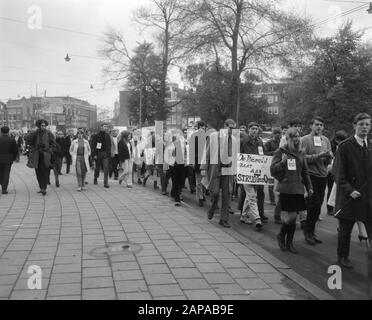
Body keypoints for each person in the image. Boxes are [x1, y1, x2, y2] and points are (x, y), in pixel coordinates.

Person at [333, 113, 372, 269]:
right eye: (361, 124)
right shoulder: (345, 146)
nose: (365, 127)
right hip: (349, 196)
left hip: (367, 196)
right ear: (354, 126)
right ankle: (342, 256)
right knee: (345, 229)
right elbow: (338, 173)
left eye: (367, 124)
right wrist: (349, 190)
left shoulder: (369, 146)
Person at [271, 128, 313, 253]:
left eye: (298, 136)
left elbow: (305, 172)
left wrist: (309, 186)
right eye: (294, 136)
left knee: (293, 218)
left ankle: (289, 242)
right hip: (286, 187)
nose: (296, 139)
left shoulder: (301, 152)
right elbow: (273, 170)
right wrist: (282, 163)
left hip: (298, 188)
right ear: (288, 137)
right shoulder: (281, 151)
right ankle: (280, 235)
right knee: (293, 215)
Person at [300, 116, 333, 245]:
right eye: (317, 125)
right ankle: (307, 232)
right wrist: (318, 155)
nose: (319, 127)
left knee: (318, 206)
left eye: (321, 125)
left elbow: (328, 160)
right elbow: (302, 158)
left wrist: (328, 158)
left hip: (323, 176)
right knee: (313, 204)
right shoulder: (305, 140)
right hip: (310, 176)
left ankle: (311, 231)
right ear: (311, 126)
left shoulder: (325, 140)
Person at [201, 119, 238, 228]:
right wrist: (203, 168)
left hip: (228, 170)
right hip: (215, 168)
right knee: (215, 192)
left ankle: (224, 219)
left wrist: (235, 171)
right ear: (224, 126)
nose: (231, 130)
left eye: (233, 128)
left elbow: (235, 156)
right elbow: (206, 152)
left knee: (227, 194)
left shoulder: (234, 140)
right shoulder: (213, 136)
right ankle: (212, 208)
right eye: (230, 127)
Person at [239, 122, 265, 230]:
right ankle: (257, 218)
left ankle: (244, 216)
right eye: (253, 128)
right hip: (246, 173)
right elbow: (239, 157)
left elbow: (263, 154)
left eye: (256, 129)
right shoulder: (243, 141)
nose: (255, 131)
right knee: (252, 196)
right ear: (249, 130)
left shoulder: (260, 141)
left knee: (250, 196)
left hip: (256, 173)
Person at [25, 119, 56, 195]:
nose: (43, 127)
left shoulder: (49, 133)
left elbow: (54, 144)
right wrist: (35, 132)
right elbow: (27, 139)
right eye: (42, 125)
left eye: (44, 125)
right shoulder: (35, 133)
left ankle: (44, 188)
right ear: (39, 126)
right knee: (38, 172)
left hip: (45, 155)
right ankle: (41, 187)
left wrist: (49, 150)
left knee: (44, 171)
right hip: (36, 155)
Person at [326, 130, 348, 216]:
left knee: (334, 189)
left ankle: (333, 207)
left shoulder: (344, 146)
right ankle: (329, 207)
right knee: (330, 188)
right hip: (329, 169)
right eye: (341, 140)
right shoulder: (331, 146)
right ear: (336, 139)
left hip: (337, 170)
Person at [189, 121, 207, 206]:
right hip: (197, 162)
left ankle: (202, 195)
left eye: (204, 128)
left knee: (204, 181)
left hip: (205, 162)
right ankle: (199, 197)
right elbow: (191, 150)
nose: (203, 130)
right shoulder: (194, 136)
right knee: (199, 181)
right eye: (202, 128)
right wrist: (192, 161)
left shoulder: (207, 137)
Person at [265, 127, 282, 211]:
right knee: (270, 183)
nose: (278, 135)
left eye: (279, 133)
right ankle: (272, 200)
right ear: (273, 134)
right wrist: (274, 153)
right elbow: (265, 153)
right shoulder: (269, 143)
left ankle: (280, 200)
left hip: (279, 164)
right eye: (276, 133)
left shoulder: (282, 142)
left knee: (279, 183)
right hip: (271, 164)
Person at [91, 123, 111, 188]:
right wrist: (94, 154)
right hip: (98, 153)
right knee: (97, 167)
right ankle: (95, 177)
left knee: (106, 168)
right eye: (104, 127)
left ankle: (106, 183)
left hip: (105, 154)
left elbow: (109, 145)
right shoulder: (96, 136)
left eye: (106, 127)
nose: (106, 128)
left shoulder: (108, 136)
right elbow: (93, 146)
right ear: (101, 127)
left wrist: (109, 153)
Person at [0, 126, 19, 194]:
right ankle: (4, 189)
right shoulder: (12, 140)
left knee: (1, 173)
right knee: (6, 173)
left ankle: (2, 183)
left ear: (1, 131)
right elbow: (15, 150)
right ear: (8, 132)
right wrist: (13, 157)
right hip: (8, 159)